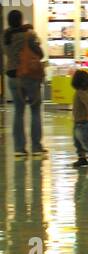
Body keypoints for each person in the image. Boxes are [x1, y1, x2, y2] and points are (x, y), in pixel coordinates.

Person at [3, 8, 47, 158]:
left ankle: (19, 148)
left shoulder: (5, 36)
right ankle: (36, 147)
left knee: (18, 112)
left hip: (12, 78)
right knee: (35, 110)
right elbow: (40, 54)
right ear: (21, 20)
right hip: (29, 76)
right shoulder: (28, 35)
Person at [70, 69, 88, 168]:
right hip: (78, 122)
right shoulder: (83, 91)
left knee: (84, 142)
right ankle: (82, 158)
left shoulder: (81, 92)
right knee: (78, 142)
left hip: (82, 123)